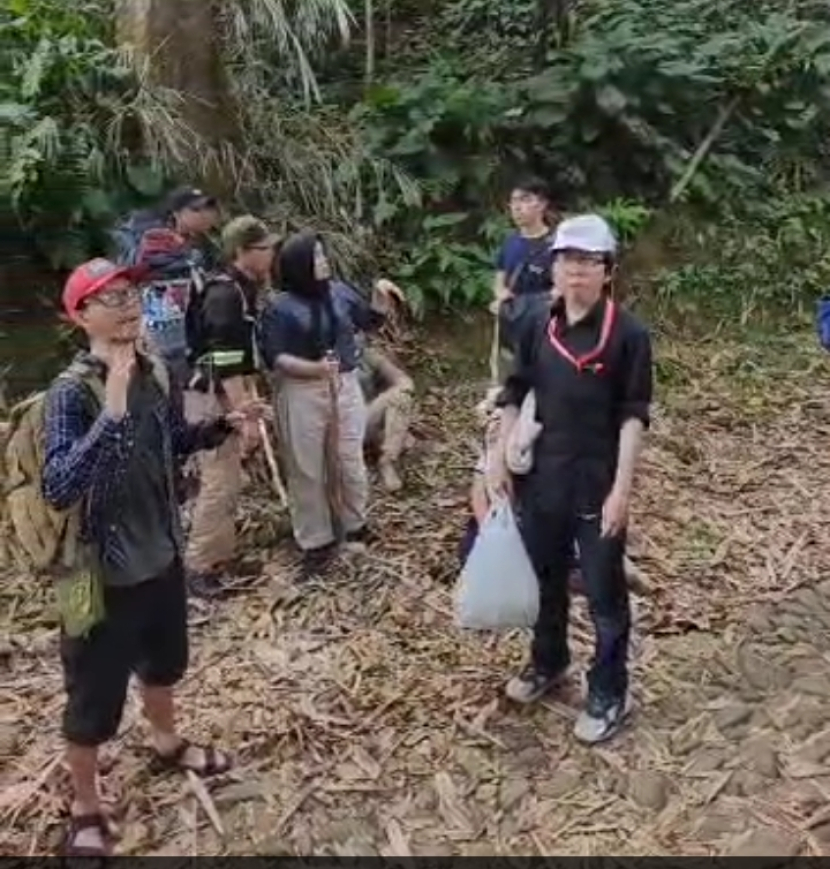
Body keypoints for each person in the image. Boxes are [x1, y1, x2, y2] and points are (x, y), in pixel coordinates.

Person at [39, 258, 265, 856]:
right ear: (81, 314)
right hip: (92, 575)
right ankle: (85, 806)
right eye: (109, 297)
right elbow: (59, 486)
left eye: (131, 292)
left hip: (161, 554)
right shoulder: (71, 392)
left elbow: (170, 442)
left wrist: (223, 424)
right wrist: (111, 410)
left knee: (165, 663)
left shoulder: (157, 370)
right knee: (91, 694)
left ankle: (165, 742)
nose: (128, 304)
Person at [492, 214, 653, 744]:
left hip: (596, 478)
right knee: (546, 578)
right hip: (543, 476)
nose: (575, 272)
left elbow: (633, 414)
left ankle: (609, 690)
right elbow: (515, 389)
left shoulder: (627, 334)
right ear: (554, 267)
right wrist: (501, 452)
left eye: (588, 262)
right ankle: (549, 659)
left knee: (605, 594)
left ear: (608, 270)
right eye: (566, 260)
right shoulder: (537, 321)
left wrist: (622, 490)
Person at [258, 232, 398, 578]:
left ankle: (354, 523)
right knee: (307, 465)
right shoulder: (280, 307)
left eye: (323, 255)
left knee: (348, 455)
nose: (324, 262)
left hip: (344, 384)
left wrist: (381, 297)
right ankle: (315, 541)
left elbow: (370, 322)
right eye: (316, 258)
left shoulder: (339, 292)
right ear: (299, 266)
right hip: (302, 389)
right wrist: (315, 369)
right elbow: (276, 357)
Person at [183, 215, 279, 598]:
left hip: (225, 393)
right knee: (219, 482)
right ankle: (199, 566)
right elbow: (224, 361)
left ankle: (220, 556)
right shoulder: (225, 295)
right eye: (264, 248)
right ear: (242, 251)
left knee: (230, 479)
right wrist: (245, 416)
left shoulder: (241, 288)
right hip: (212, 398)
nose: (271, 254)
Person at [111, 186, 220, 388]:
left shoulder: (204, 246)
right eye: (195, 210)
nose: (204, 215)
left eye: (207, 209)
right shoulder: (159, 247)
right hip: (164, 338)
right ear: (176, 214)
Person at [491, 177, 558, 372]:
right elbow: (499, 278)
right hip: (509, 321)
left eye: (525, 199)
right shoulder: (509, 242)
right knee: (507, 369)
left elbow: (560, 290)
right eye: (514, 201)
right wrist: (500, 293)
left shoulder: (556, 246)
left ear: (543, 204)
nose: (518, 207)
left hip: (543, 325)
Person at [355, 279, 414, 493]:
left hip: (366, 419)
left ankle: (388, 461)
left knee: (401, 395)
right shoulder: (330, 359)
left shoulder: (366, 356)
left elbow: (404, 381)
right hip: (341, 427)